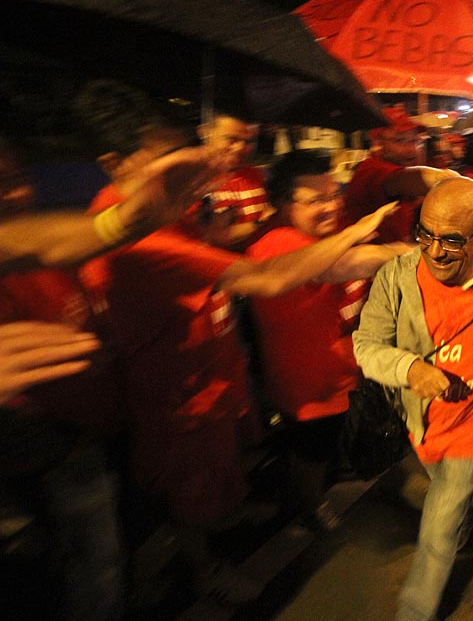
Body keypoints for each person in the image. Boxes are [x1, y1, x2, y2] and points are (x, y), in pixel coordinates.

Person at [77, 79, 399, 603]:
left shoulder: (167, 212)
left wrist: (214, 234)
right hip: (181, 399)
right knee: (189, 494)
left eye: (189, 157)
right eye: (170, 164)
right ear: (117, 164)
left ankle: (211, 525)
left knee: (211, 484)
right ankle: (203, 571)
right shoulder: (139, 239)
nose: (196, 172)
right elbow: (265, 278)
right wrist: (358, 232)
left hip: (217, 374)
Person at [0, 131, 221, 619]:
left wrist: (132, 217)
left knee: (107, 552)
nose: (14, 195)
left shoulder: (46, 240)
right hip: (44, 446)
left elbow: (65, 256)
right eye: (0, 186)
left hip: (106, 421)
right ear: (115, 162)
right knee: (84, 567)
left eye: (16, 179)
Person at [353, 177, 473, 621]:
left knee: (438, 527)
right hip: (421, 423)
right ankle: (469, 511)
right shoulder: (395, 280)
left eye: (452, 240)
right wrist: (410, 369)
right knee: (447, 492)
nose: (435, 252)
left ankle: (415, 612)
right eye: (425, 234)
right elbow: (365, 344)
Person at [244, 150, 410, 526]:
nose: (330, 206)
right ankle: (311, 504)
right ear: (282, 204)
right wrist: (413, 252)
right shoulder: (277, 243)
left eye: (334, 194)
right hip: (309, 390)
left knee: (330, 445)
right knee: (311, 452)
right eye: (316, 199)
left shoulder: (320, 235)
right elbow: (341, 266)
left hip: (341, 373)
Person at [344, 104, 454, 244]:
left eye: (414, 141)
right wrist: (456, 181)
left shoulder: (400, 166)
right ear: (378, 142)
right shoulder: (371, 169)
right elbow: (418, 179)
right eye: (399, 140)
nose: (411, 149)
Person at [197, 110, 275, 251]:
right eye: (231, 139)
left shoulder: (255, 174)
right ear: (204, 133)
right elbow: (212, 236)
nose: (241, 148)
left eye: (247, 141)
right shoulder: (192, 182)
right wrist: (262, 223)